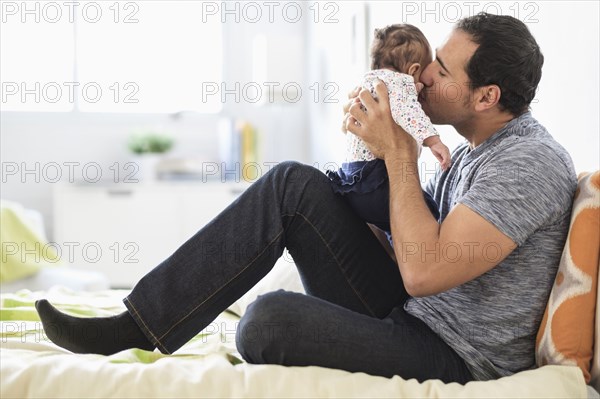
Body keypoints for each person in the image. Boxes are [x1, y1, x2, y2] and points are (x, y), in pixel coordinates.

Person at [35, 12, 576, 384]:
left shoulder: (526, 162)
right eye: (433, 61)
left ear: (487, 96)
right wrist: (359, 177)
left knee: (266, 322)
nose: (424, 77)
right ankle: (138, 324)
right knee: (294, 183)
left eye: (442, 71)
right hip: (415, 310)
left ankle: (148, 324)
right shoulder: (470, 149)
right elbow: (403, 241)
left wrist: (398, 154)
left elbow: (424, 271)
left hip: (453, 352)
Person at [326, 24, 451, 234]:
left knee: (391, 224)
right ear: (413, 71)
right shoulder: (400, 84)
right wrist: (434, 141)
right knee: (429, 212)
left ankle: (397, 253)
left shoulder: (367, 83)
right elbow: (411, 113)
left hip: (350, 179)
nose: (426, 81)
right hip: (373, 178)